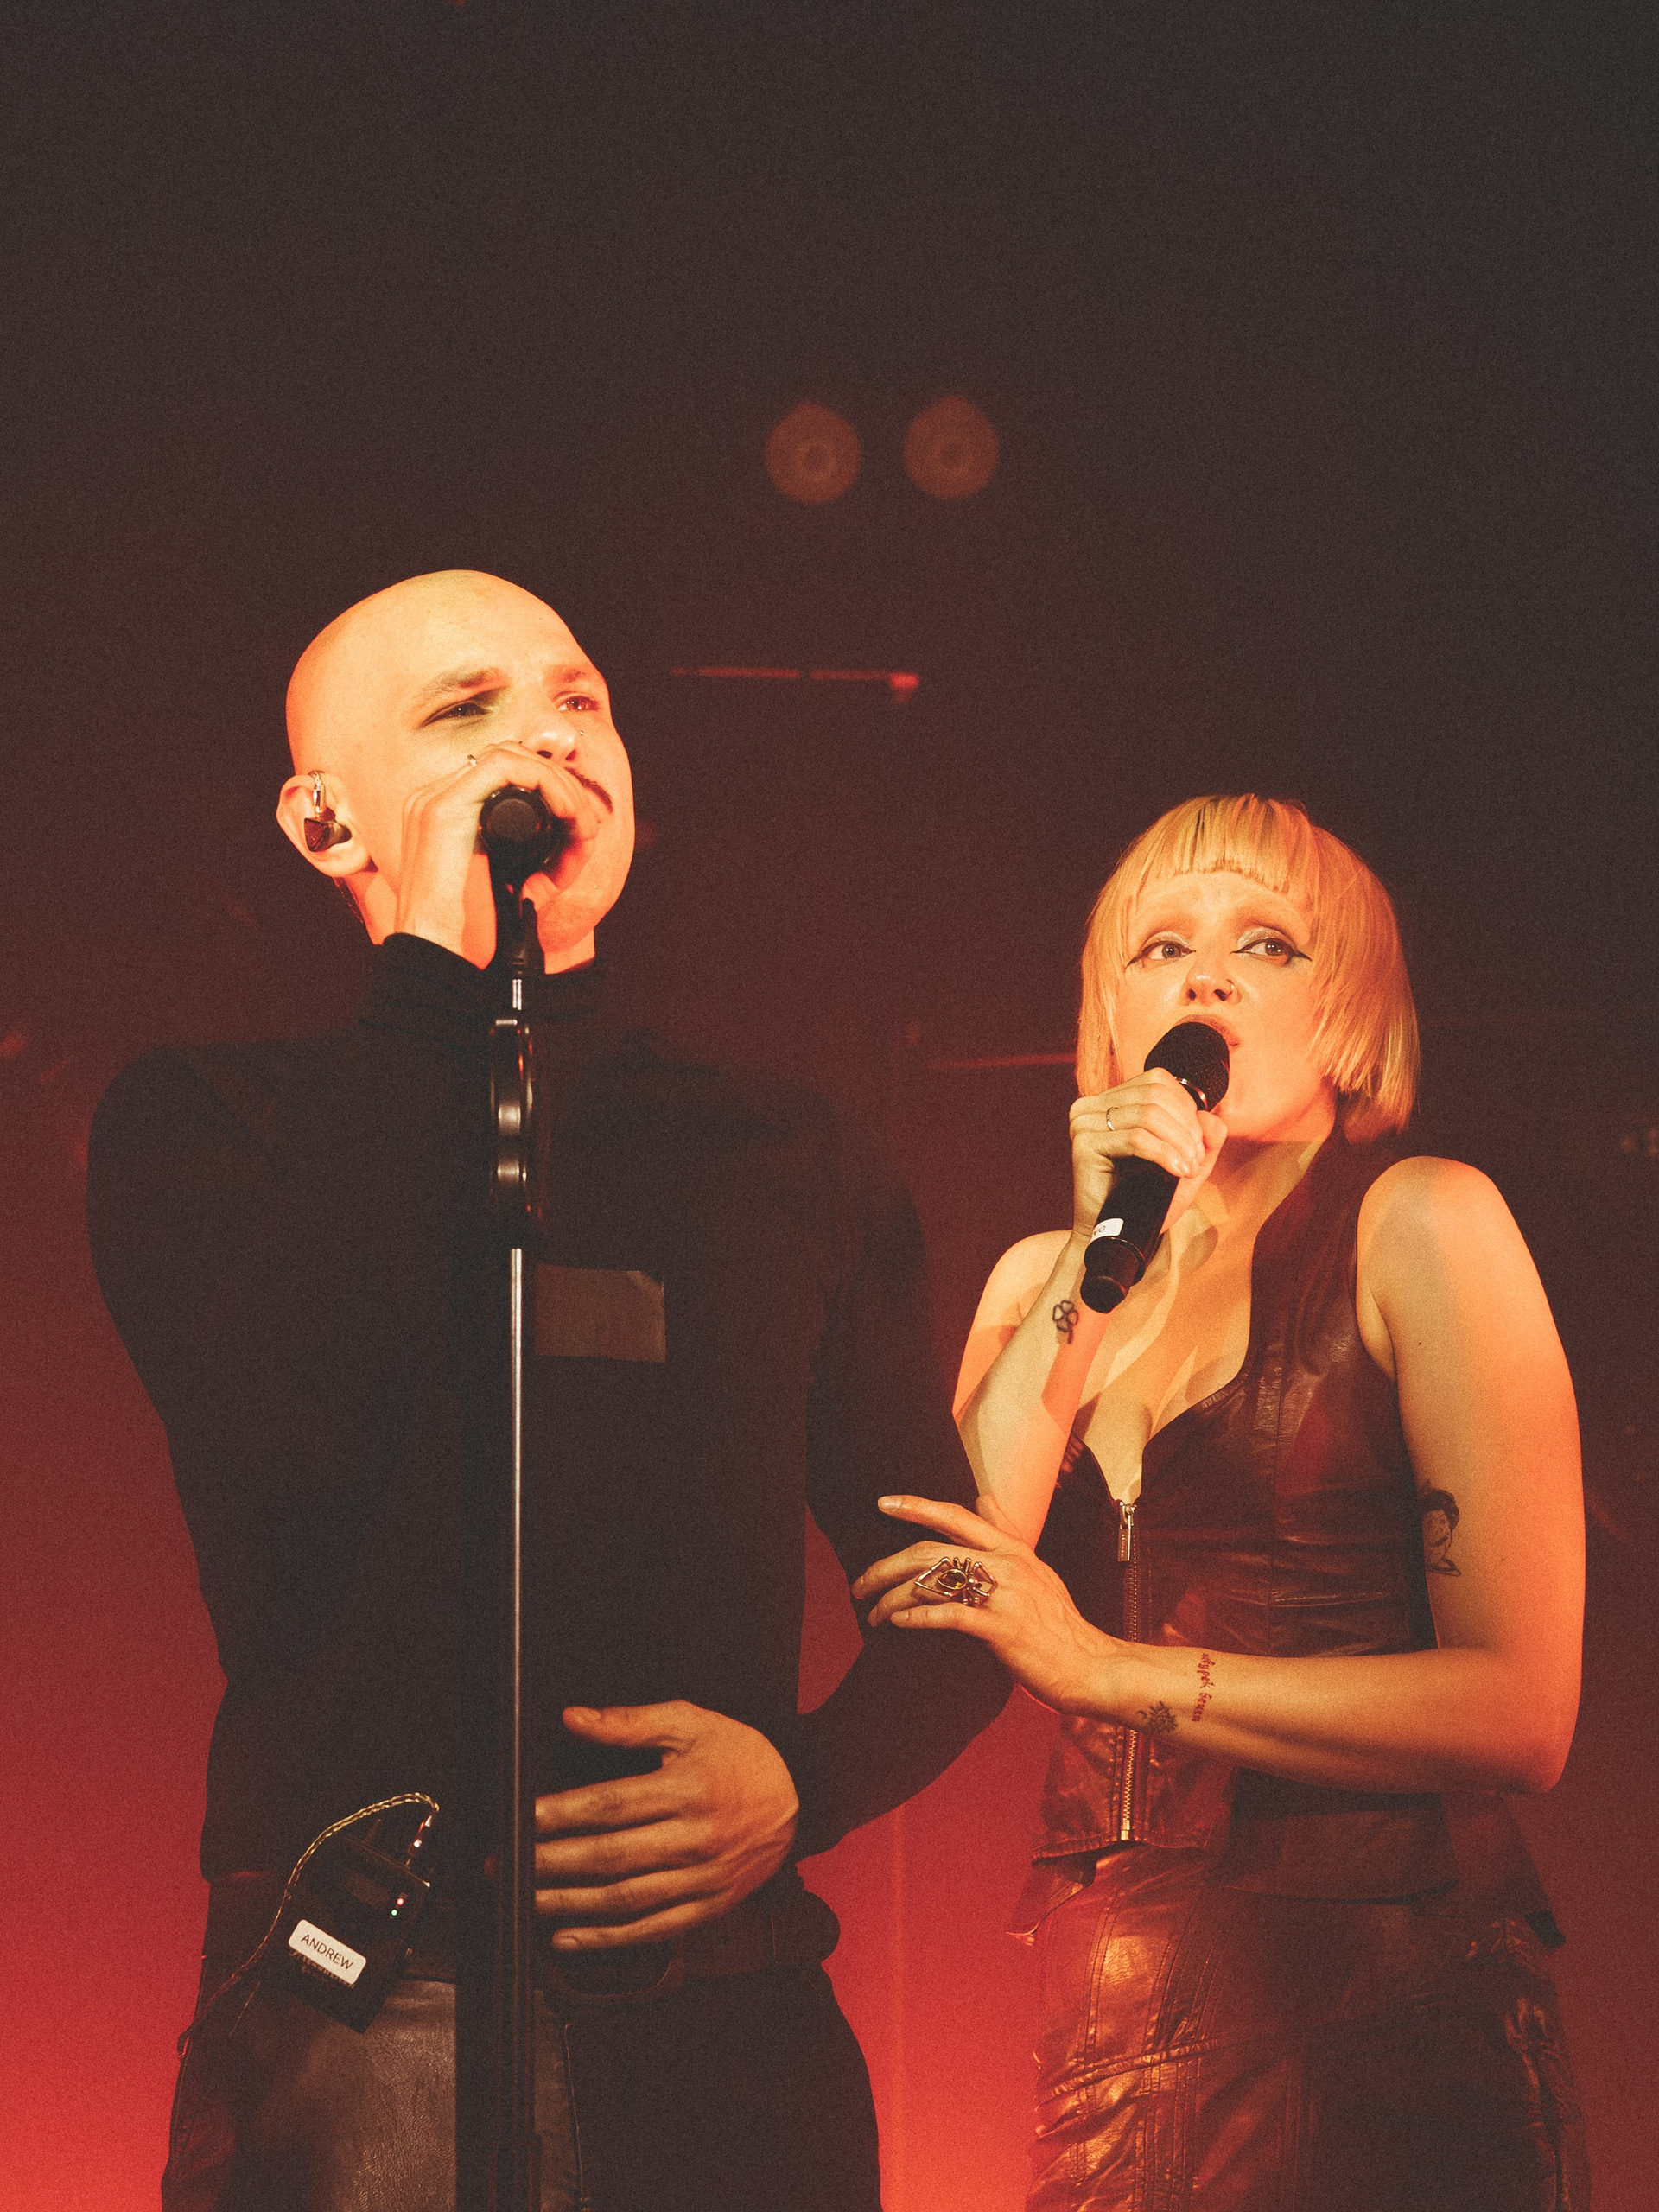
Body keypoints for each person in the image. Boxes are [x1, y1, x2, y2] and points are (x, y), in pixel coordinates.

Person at [87, 569, 1005, 2212]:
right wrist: (432, 983)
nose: (548, 738)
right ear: (324, 822)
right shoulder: (210, 1125)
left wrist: (805, 1786)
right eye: (469, 709)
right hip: (372, 2006)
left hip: (727, 2032)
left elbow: (956, 1587)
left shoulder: (781, 1152)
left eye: (580, 699)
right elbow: (287, 1441)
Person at [853, 795, 1588, 2210]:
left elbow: (1522, 1709)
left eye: (1266, 943)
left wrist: (1109, 1671)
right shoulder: (1042, 1284)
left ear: (1352, 1010)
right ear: (1108, 1016)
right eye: (1161, 948)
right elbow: (948, 1580)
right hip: (1109, 2040)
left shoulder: (1422, 1221)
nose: (1205, 978)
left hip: (1386, 2012)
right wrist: (1092, 1257)